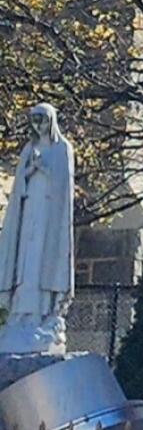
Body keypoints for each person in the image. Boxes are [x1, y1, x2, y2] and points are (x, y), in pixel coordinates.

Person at [0, 100, 77, 360]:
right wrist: (28, 171)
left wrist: (43, 168)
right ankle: (20, 316)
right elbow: (19, 185)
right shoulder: (28, 149)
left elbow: (63, 188)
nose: (38, 125)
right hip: (28, 215)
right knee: (24, 264)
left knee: (41, 265)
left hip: (49, 220)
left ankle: (42, 315)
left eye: (42, 119)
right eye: (34, 119)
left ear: (51, 121)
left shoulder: (62, 149)